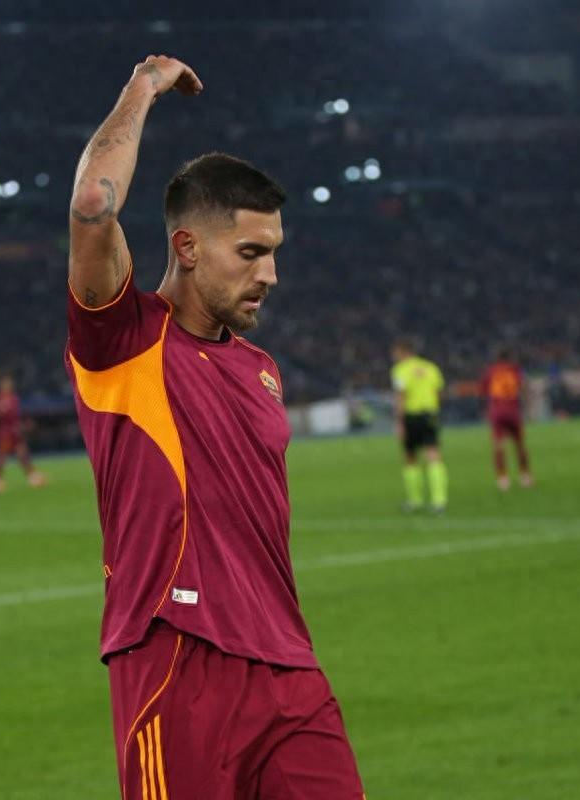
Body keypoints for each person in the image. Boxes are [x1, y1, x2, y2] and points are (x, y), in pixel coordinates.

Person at [64, 55, 364, 799]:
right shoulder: (124, 341)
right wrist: (143, 87)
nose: (270, 275)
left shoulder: (262, 369)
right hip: (177, 660)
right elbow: (94, 202)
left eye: (275, 254)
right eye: (251, 253)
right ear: (188, 248)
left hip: (289, 666)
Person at [391, 340, 448, 513]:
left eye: (395, 352)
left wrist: (399, 422)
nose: (393, 356)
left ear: (403, 351)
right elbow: (439, 391)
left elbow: (401, 396)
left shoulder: (400, 370)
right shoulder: (431, 367)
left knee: (410, 456)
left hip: (411, 416)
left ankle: (415, 500)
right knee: (433, 453)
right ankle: (439, 501)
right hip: (430, 414)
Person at [479, 349, 535, 490]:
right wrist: (528, 408)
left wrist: (485, 410)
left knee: (498, 445)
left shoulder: (490, 371)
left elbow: (483, 392)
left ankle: (503, 479)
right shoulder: (515, 369)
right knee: (520, 445)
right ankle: (525, 476)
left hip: (497, 412)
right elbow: (524, 387)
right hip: (513, 410)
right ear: (509, 358)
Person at [0, 375, 45, 492]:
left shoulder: (14, 398)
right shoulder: (1, 399)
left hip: (15, 432)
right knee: (2, 457)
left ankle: (32, 475)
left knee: (22, 454)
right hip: (5, 433)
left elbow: (17, 416)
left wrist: (22, 425)